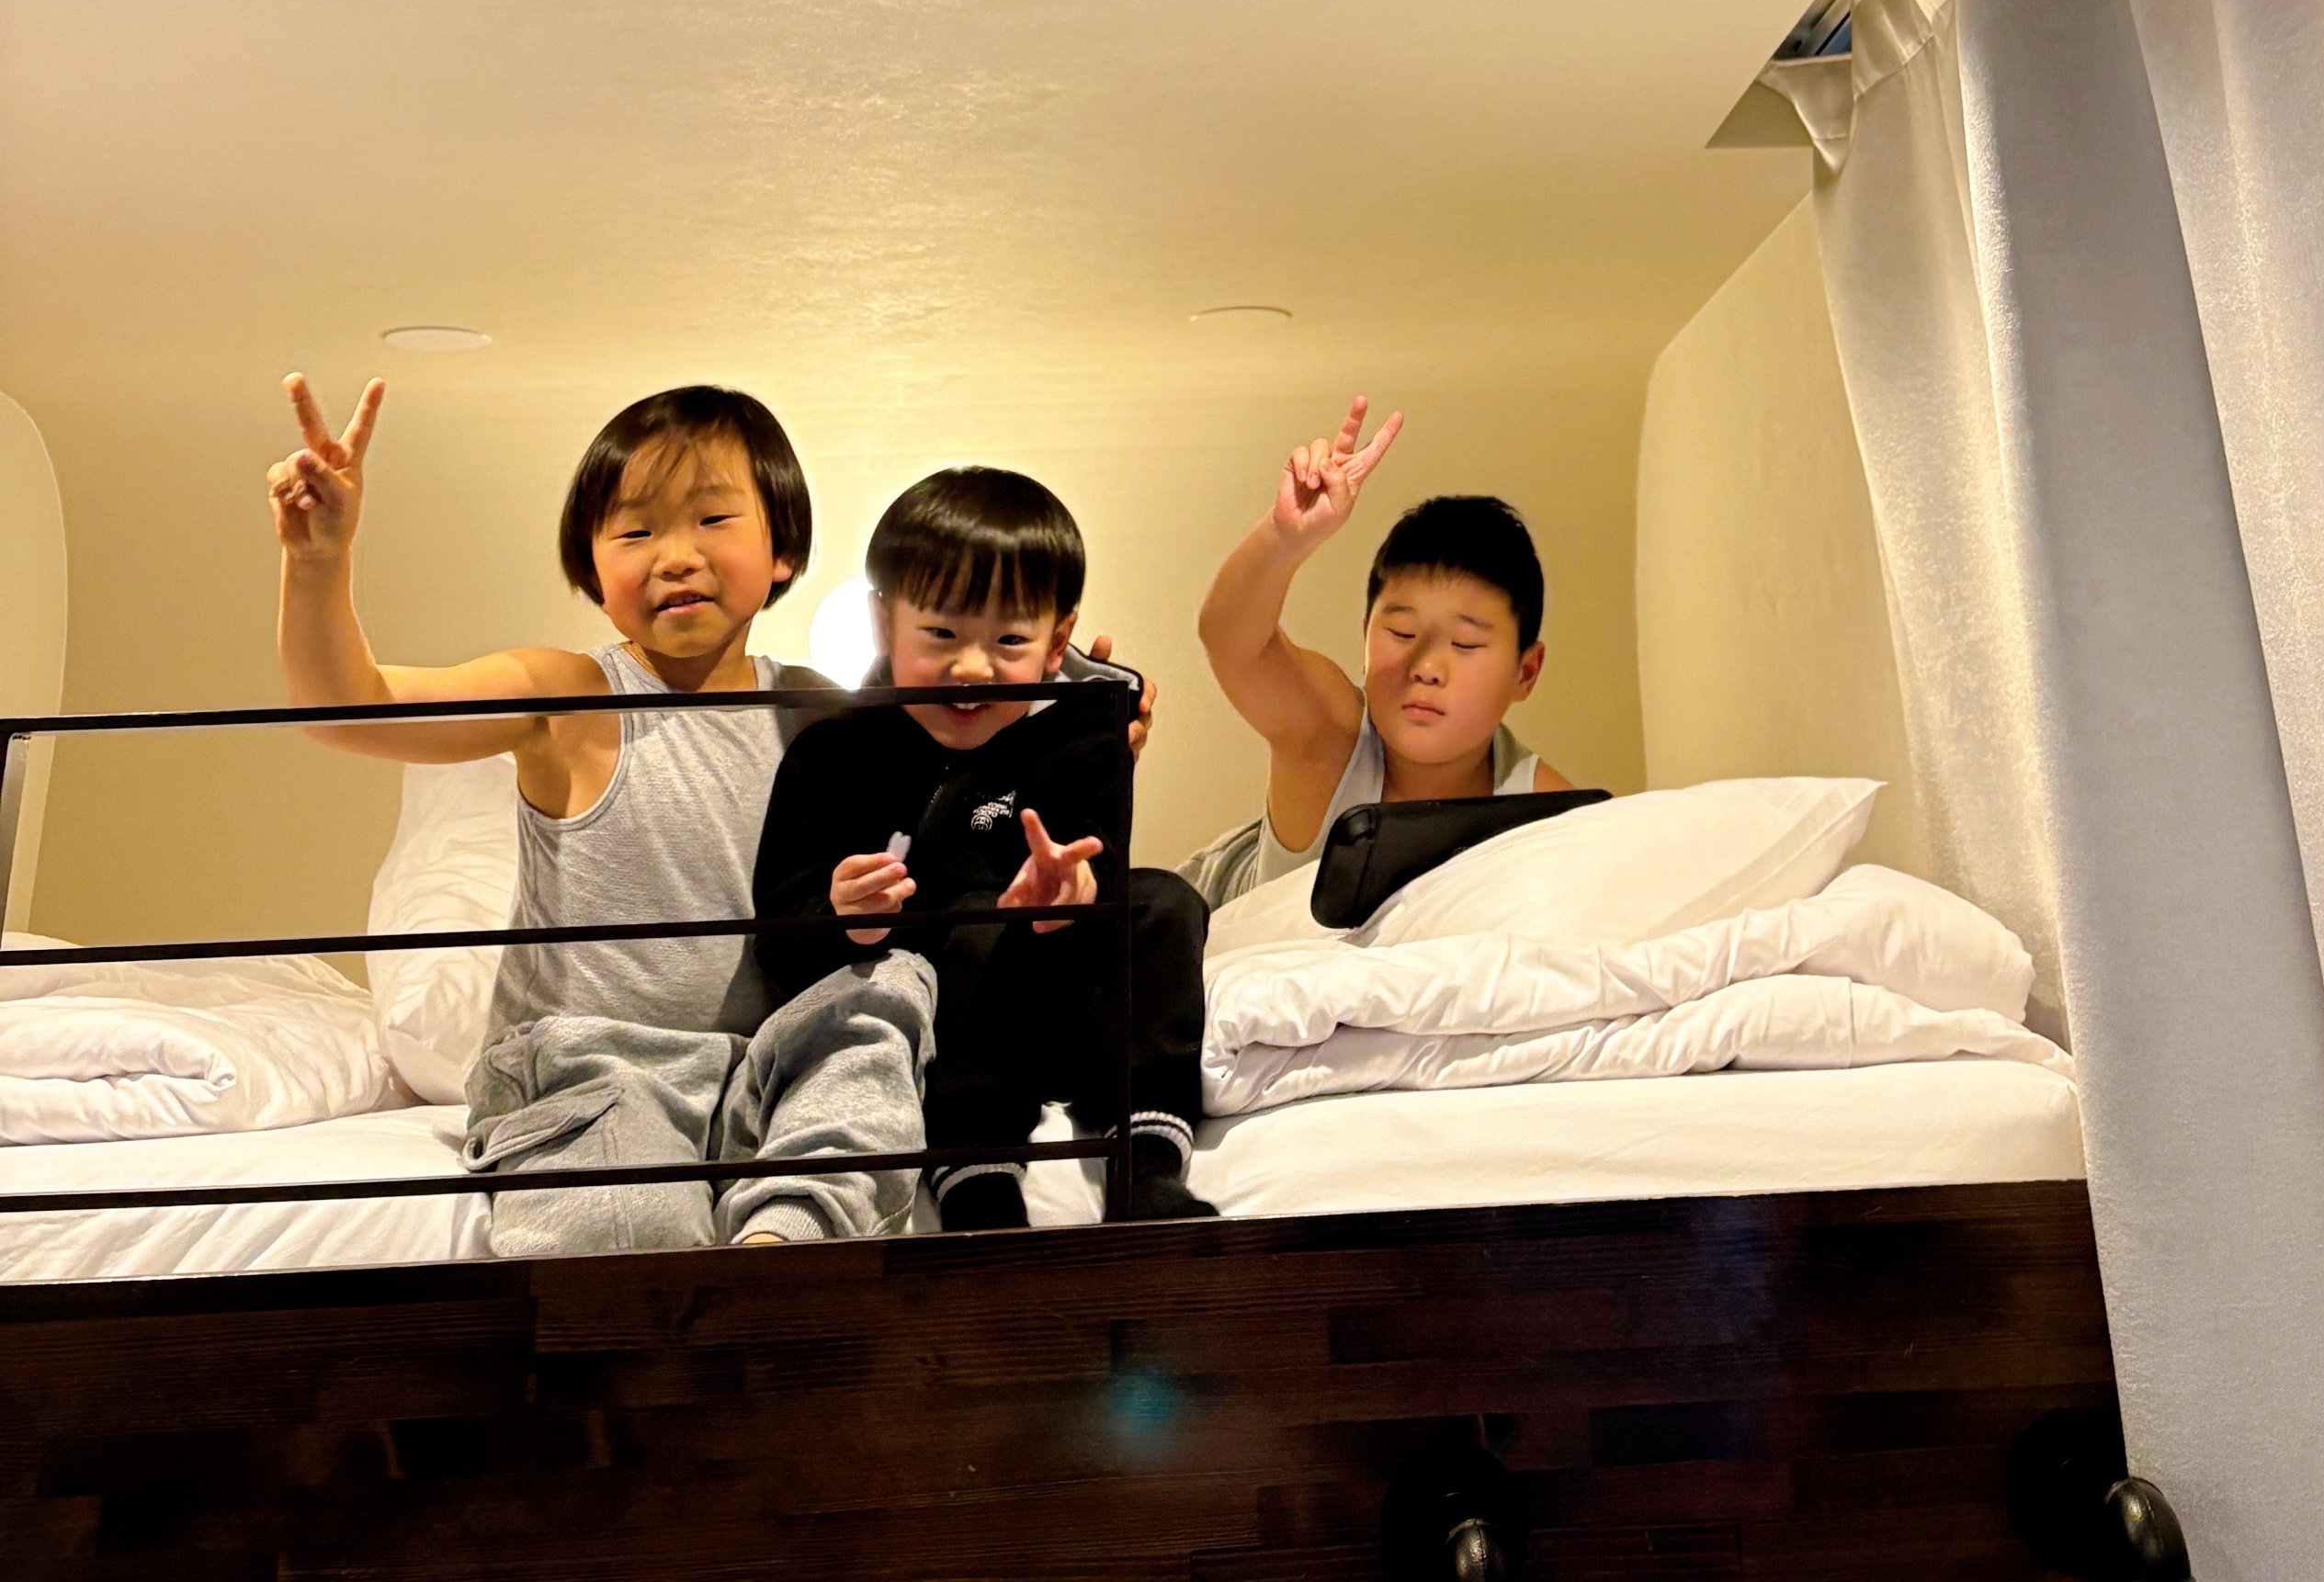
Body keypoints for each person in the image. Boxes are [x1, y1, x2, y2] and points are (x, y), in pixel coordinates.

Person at [266, 374, 1139, 1253]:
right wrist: (317, 562)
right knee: (625, 1217)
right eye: (635, 530)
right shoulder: (570, 698)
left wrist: (1092, 733)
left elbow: (978, 769)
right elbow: (349, 710)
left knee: (887, 997)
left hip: (770, 1068)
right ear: (591, 568)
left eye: (713, 519)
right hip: (595, 1070)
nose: (676, 555)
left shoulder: (828, 716)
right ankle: (683, 1284)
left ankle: (781, 1246)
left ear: (782, 550)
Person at [754, 465, 1210, 1228]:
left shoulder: (1081, 738)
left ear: (1057, 641)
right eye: (940, 634)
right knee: (961, 929)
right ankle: (976, 1178)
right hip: (954, 1034)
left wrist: (1074, 893)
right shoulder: (833, 755)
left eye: (1009, 640)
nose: (971, 667)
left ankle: (1147, 1162)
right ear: (883, 626)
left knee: (1165, 898)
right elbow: (779, 938)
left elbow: (1098, 860)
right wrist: (846, 920)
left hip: (1068, 1003)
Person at [1187, 400, 1578, 906]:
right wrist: (1284, 539)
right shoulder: (1332, 735)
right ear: (1366, 636)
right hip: (1196, 922)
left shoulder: (1548, 811)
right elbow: (1234, 642)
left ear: (1526, 672)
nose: (1427, 669)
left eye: (1464, 644)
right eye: (1402, 633)